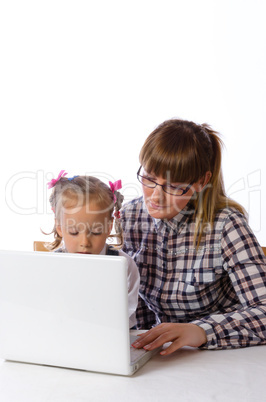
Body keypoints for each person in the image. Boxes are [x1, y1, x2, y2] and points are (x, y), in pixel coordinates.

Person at [121, 118, 266, 355]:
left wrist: (201, 331)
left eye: (173, 186)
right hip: (161, 355)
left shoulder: (226, 225)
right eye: (149, 179)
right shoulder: (129, 216)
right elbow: (132, 299)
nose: (156, 197)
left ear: (201, 182)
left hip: (220, 355)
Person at [46, 171, 140, 328]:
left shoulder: (124, 266)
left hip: (109, 336)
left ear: (109, 227)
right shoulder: (51, 266)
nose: (84, 242)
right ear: (60, 227)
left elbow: (127, 317)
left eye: (96, 232)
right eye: (74, 232)